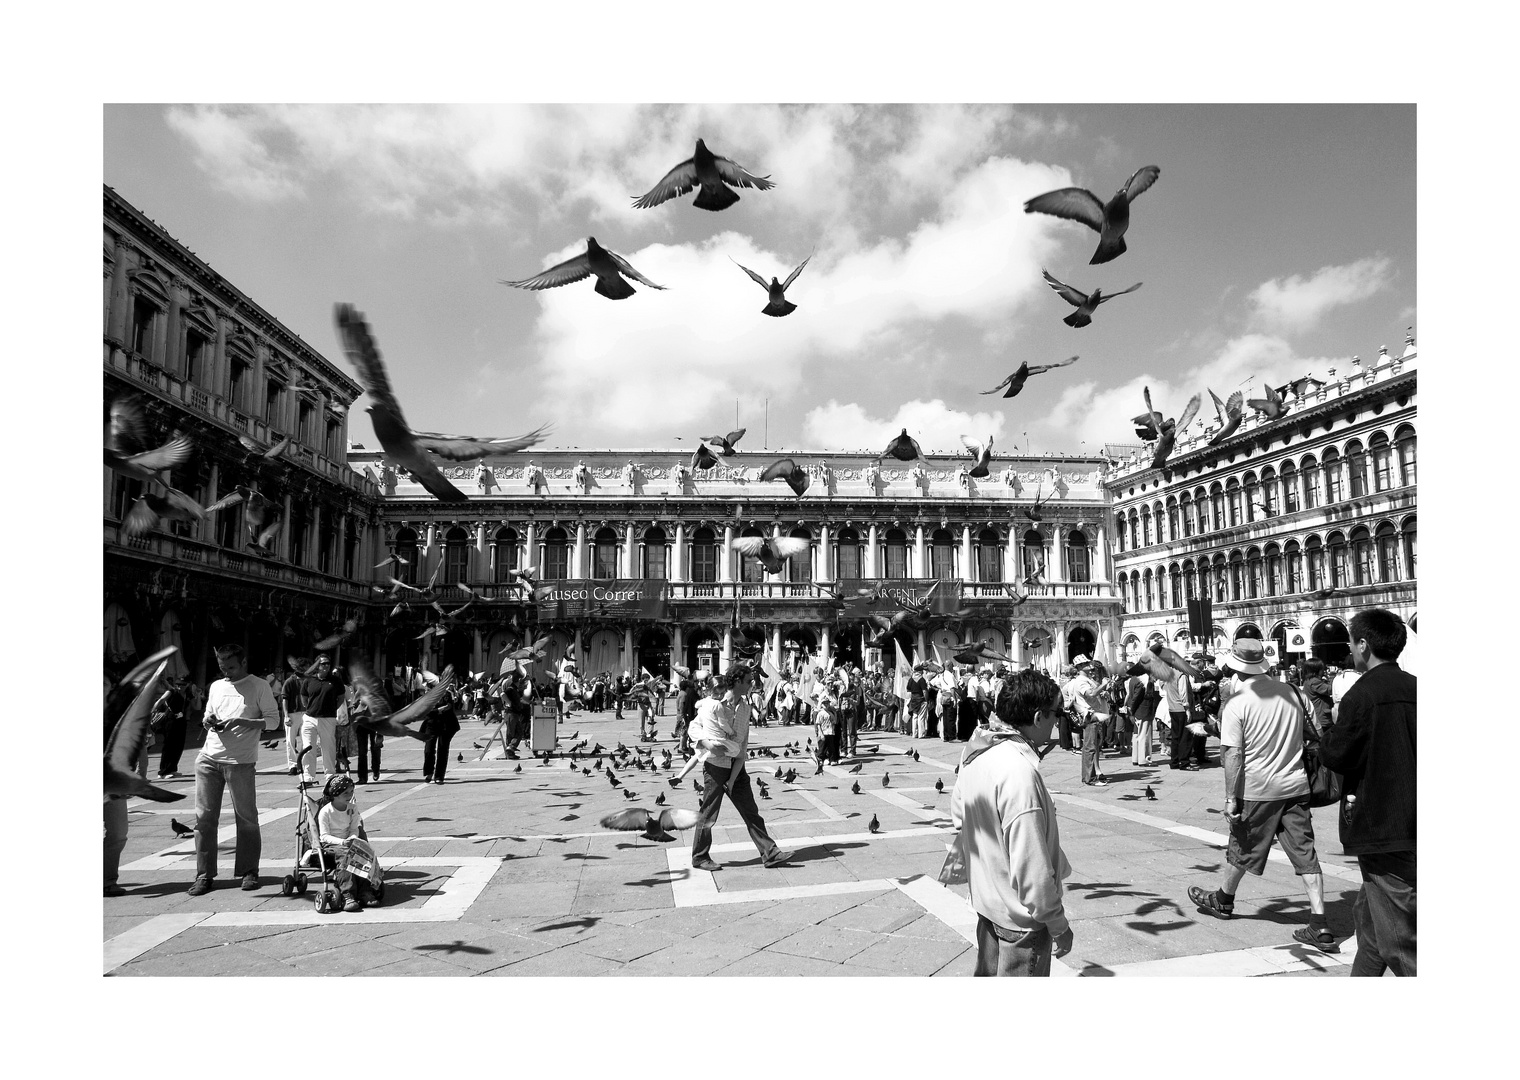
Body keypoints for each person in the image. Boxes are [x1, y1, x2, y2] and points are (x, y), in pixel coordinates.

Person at [1186, 638, 1335, 952]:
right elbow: (1315, 734)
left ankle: (1223, 901)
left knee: (1243, 845)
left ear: (1239, 671)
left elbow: (1233, 756)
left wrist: (1230, 798)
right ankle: (1320, 925)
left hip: (1257, 790)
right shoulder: (1294, 692)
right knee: (1306, 854)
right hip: (1295, 787)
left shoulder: (1238, 703)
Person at [952, 668, 1074, 976]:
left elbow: (958, 815)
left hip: (987, 905)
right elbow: (1031, 867)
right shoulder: (1018, 772)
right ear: (1037, 717)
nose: (1058, 720)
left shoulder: (977, 750)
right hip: (1021, 923)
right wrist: (1058, 924)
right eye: (1056, 713)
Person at [1320, 609, 1416, 976]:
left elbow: (1337, 755)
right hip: (1413, 819)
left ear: (1363, 644)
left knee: (1399, 944)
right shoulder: (1417, 687)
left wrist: (1328, 729)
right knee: (1372, 928)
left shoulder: (1362, 695)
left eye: (1350, 641)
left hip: (1382, 825)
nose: (1349, 648)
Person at [189, 644, 280, 895]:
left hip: (240, 762)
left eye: (230, 667)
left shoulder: (259, 686)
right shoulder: (217, 686)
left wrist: (243, 722)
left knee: (246, 817)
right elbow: (209, 714)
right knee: (204, 820)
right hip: (208, 759)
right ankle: (204, 874)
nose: (226, 672)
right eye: (221, 668)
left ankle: (249, 871)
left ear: (243, 663)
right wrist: (208, 721)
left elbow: (273, 721)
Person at [688, 665, 796, 872]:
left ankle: (770, 853)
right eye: (748, 681)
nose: (751, 684)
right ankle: (699, 857)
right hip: (716, 767)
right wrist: (707, 743)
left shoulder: (745, 707)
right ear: (737, 682)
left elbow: (743, 742)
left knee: (751, 812)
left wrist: (735, 773)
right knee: (709, 814)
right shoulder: (714, 703)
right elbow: (694, 727)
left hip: (737, 767)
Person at [315, 774, 377, 912]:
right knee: (345, 857)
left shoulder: (352, 808)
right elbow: (324, 836)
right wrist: (343, 842)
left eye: (351, 791)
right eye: (346, 792)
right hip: (332, 843)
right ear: (335, 794)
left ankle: (365, 890)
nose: (350, 795)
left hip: (349, 840)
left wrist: (353, 838)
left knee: (364, 853)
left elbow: (355, 828)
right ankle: (348, 894)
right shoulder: (326, 811)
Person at [299, 654, 346, 783]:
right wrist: (310, 707)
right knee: (308, 747)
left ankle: (330, 774)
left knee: (328, 747)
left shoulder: (335, 680)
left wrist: (332, 708)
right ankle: (308, 776)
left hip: (328, 718)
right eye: (323, 663)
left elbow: (341, 697)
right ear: (317, 666)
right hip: (310, 718)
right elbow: (304, 697)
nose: (326, 666)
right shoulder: (309, 680)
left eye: (328, 663)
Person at [1068, 658, 1112, 786]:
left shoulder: (1086, 679)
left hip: (1094, 714)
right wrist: (1103, 684)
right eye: (1087, 664)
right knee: (1090, 747)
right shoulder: (1081, 681)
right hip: (1089, 715)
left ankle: (1091, 775)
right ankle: (1090, 778)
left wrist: (1102, 691)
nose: (1090, 665)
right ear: (1080, 667)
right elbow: (1090, 693)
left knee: (1093, 745)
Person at [420, 684, 461, 784]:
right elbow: (426, 712)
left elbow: (449, 707)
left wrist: (439, 710)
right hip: (431, 725)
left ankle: (439, 776)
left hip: (446, 725)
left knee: (442, 749)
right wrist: (439, 709)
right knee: (428, 750)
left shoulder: (447, 694)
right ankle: (429, 772)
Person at [153, 675, 189, 779]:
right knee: (169, 746)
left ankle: (172, 768)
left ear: (187, 685)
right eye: (178, 684)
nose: (180, 687)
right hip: (170, 720)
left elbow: (196, 706)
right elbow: (160, 700)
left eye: (183, 685)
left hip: (181, 721)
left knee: (179, 746)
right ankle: (163, 771)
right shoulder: (171, 691)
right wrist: (151, 711)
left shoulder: (187, 694)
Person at [1123, 670, 1161, 766]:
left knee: (1136, 735)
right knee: (1144, 735)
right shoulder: (1144, 682)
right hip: (1143, 711)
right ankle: (1143, 759)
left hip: (1139, 711)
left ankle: (1136, 758)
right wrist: (1132, 711)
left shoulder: (1134, 678)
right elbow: (1136, 698)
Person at [281, 662, 306, 776]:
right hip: (293, 713)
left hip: (306, 712)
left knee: (306, 740)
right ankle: (293, 765)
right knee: (290, 740)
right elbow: (284, 698)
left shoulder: (308, 680)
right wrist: (286, 715)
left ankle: (304, 763)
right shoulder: (290, 681)